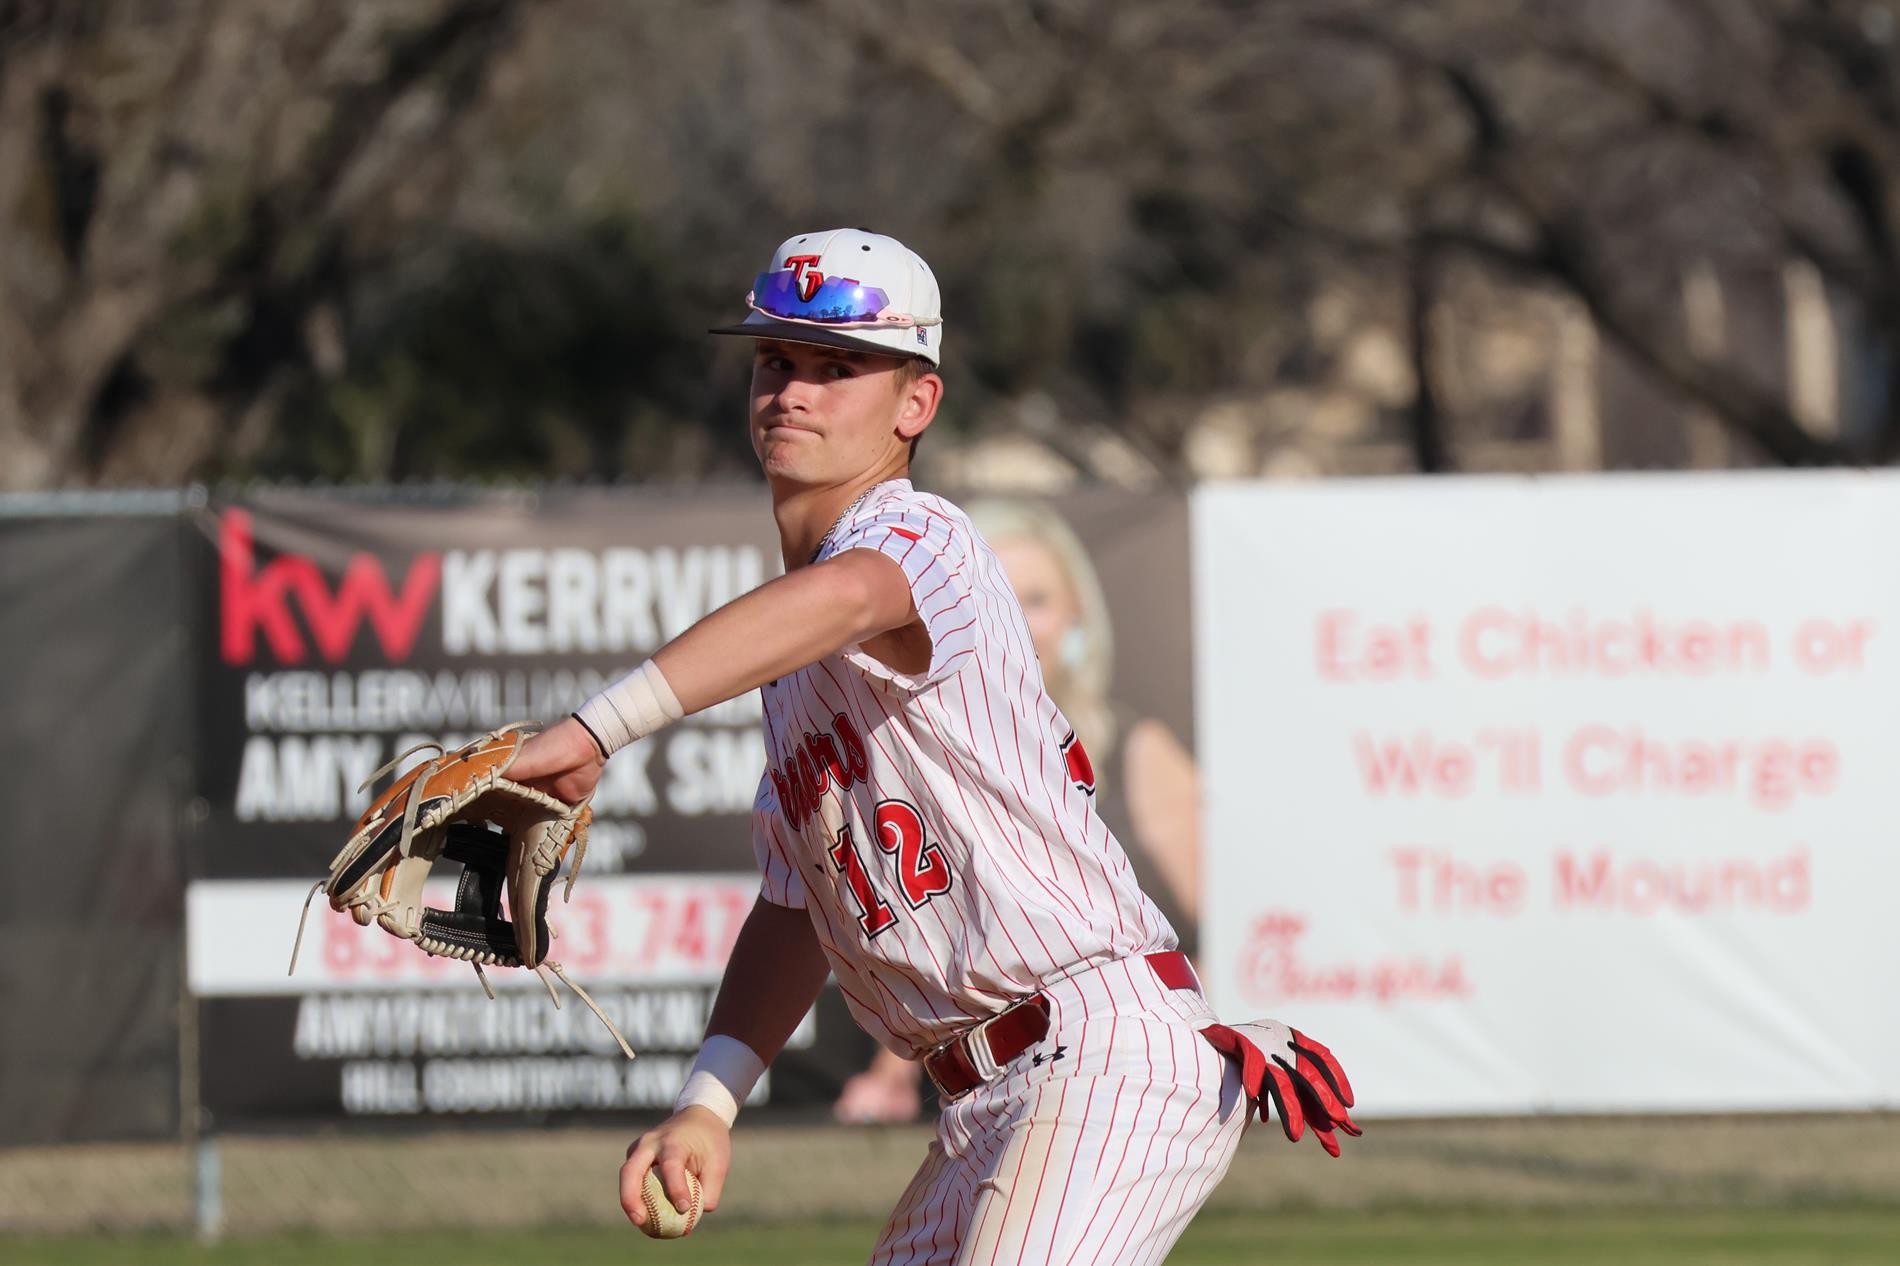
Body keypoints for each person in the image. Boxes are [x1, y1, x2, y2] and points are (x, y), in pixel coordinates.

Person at [507, 228, 1357, 1263]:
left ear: (916, 404)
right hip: (982, 1107)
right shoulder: (790, 668)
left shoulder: (925, 540)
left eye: (838, 367)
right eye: (777, 360)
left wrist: (597, 732)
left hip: (1095, 1053)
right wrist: (709, 1103)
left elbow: (847, 596)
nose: (795, 390)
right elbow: (795, 906)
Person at [832, 498, 1204, 1125]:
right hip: (990, 1079)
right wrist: (887, 1080)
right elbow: (949, 938)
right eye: (995, 597)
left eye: (1035, 598)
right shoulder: (927, 751)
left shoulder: (1138, 746)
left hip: (1139, 1056)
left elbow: (1218, 918)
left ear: (1078, 616)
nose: (1017, 622)